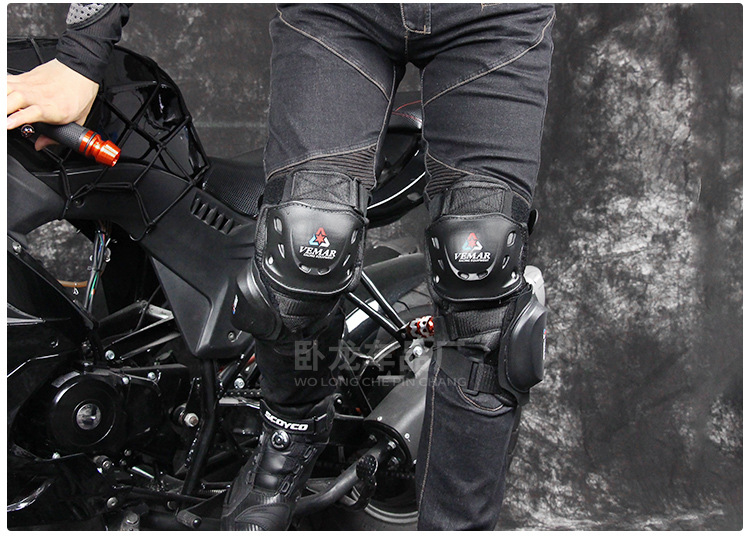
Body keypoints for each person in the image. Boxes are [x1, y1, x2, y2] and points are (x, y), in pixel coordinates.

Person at [7, 3, 555, 531]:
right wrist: (81, 56)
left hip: (492, 16)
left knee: (484, 294)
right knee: (300, 257)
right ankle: (291, 436)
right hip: (340, 12)